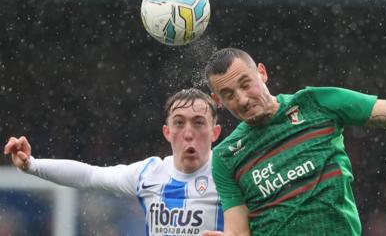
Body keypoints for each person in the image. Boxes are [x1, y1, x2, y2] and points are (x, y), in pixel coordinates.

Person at [201, 47, 386, 236]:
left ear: (262, 72)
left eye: (246, 83)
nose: (241, 99)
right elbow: (238, 232)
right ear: (218, 102)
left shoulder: (317, 103)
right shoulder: (226, 156)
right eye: (228, 94)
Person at [4, 88, 224, 236]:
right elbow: (90, 175)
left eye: (198, 123)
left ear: (214, 133)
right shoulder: (149, 174)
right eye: (179, 123)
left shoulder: (231, 173)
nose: (188, 133)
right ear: (167, 132)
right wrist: (31, 165)